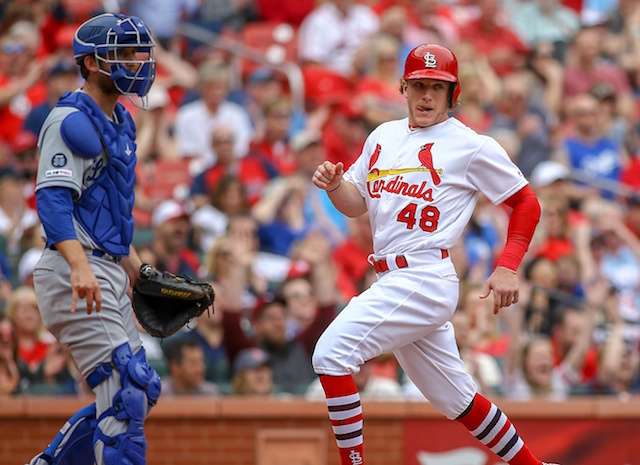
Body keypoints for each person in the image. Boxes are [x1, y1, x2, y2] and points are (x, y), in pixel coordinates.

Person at [311, 43, 559, 465]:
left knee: (330, 354)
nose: (427, 95)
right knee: (456, 400)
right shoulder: (382, 136)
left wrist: (508, 267)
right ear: (403, 87)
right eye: (420, 85)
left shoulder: (469, 145)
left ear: (452, 93)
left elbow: (526, 203)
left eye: (437, 88)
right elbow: (356, 204)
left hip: (424, 276)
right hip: (392, 278)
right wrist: (336, 185)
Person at [27, 13, 161, 465]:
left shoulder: (120, 120)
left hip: (104, 266)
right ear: (88, 63)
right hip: (72, 269)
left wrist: (139, 272)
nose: (133, 62)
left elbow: (107, 216)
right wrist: (80, 265)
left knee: (138, 388)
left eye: (135, 52)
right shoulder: (69, 119)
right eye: (119, 53)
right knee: (123, 393)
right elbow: (53, 203)